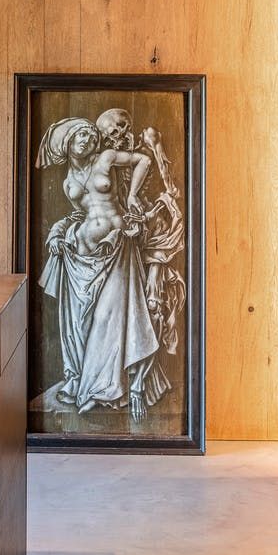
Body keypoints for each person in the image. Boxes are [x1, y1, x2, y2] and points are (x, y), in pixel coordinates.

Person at [36, 117, 171, 422]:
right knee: (79, 324)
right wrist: (57, 233)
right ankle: (83, 381)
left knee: (109, 318)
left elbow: (143, 160)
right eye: (79, 136)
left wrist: (132, 195)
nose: (86, 140)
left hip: (117, 246)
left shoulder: (106, 158)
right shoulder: (68, 180)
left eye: (89, 135)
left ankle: (110, 389)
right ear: (67, 143)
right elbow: (78, 215)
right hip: (81, 255)